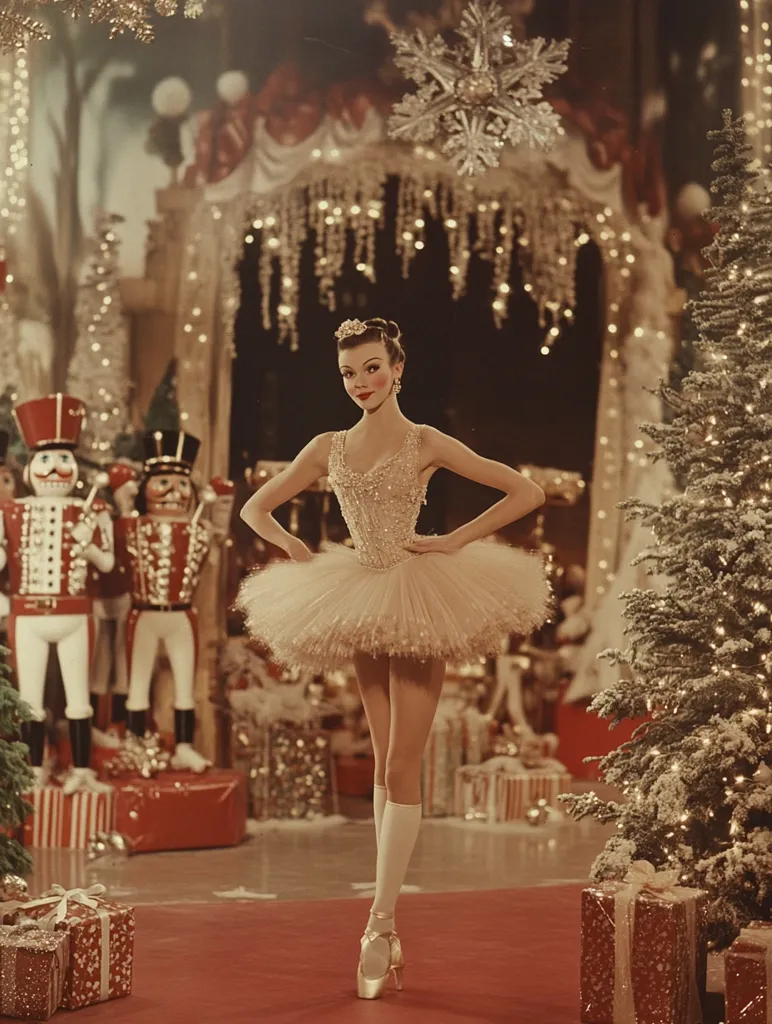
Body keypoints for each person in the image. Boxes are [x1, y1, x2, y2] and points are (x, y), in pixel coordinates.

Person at [237, 317, 551, 999]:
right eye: (349, 372)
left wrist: (452, 542)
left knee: (402, 763)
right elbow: (256, 510)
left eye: (372, 368)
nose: (361, 382)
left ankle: (379, 925)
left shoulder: (425, 440)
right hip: (358, 593)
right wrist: (292, 546)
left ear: (398, 368)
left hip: (416, 595)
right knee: (384, 765)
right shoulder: (328, 447)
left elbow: (527, 493)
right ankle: (387, 926)